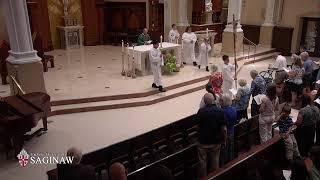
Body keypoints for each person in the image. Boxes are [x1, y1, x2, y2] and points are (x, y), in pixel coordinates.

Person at [197, 93, 227, 178]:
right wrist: (224, 140)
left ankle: (204, 177)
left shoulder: (201, 111)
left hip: (203, 142)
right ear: (214, 100)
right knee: (215, 160)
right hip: (216, 142)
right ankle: (215, 176)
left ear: (205, 102)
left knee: (202, 162)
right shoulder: (219, 111)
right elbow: (224, 128)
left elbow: (197, 125)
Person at [220, 94, 237, 164]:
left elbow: (223, 125)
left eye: (221, 100)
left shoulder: (222, 112)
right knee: (231, 148)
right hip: (232, 130)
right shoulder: (234, 109)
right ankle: (231, 161)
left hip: (226, 133)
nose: (220, 102)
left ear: (224, 101)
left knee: (225, 149)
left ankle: (225, 165)